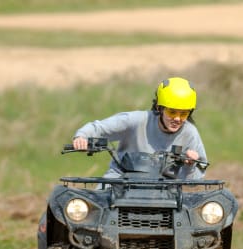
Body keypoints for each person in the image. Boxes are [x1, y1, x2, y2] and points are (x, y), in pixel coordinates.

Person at [72, 77, 207, 180]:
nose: (177, 119)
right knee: (94, 208)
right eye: (172, 112)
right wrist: (82, 137)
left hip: (164, 188)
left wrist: (190, 165)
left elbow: (196, 177)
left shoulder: (190, 133)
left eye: (184, 114)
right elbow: (99, 128)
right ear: (159, 108)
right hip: (120, 179)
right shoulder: (136, 120)